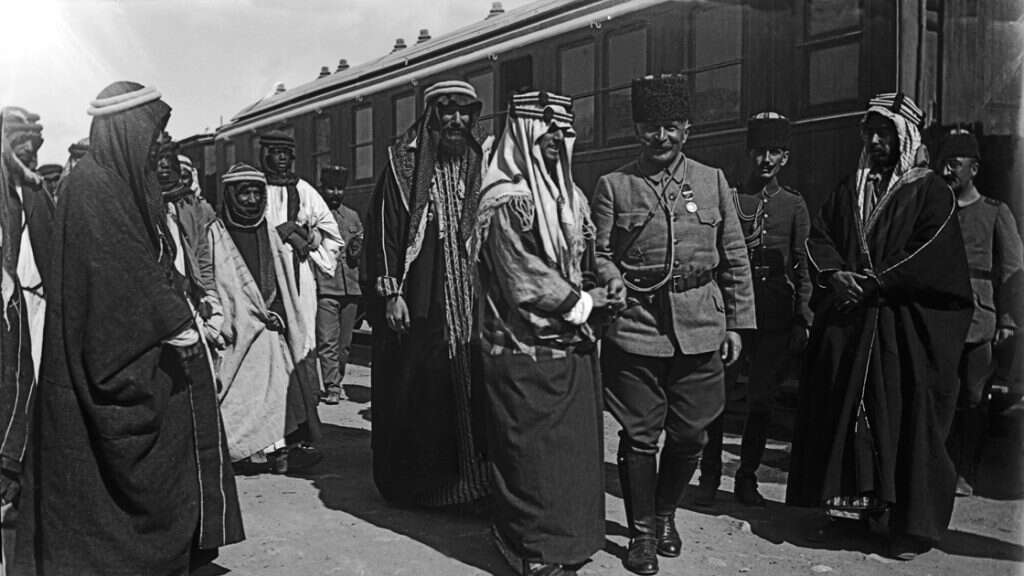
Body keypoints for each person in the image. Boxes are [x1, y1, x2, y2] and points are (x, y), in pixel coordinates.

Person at [21, 81, 244, 574]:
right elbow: (122, 271)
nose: (159, 142)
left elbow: (152, 259)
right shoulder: (92, 187)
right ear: (126, 130)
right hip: (106, 352)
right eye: (153, 130)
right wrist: (177, 322)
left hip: (135, 337)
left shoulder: (119, 183)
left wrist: (184, 304)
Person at [786, 93, 974, 560]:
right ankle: (848, 514)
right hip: (851, 324)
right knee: (842, 411)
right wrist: (835, 275)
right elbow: (820, 236)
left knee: (905, 419)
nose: (874, 141)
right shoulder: (850, 187)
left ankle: (907, 528)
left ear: (904, 137)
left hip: (900, 328)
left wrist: (875, 283)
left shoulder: (931, 192)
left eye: (884, 132)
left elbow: (930, 255)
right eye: (869, 131)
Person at [591, 74, 755, 575]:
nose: (660, 137)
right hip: (637, 327)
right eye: (650, 127)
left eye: (670, 127)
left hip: (701, 324)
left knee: (692, 435)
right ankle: (643, 534)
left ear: (687, 129)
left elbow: (734, 255)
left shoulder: (712, 181)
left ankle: (666, 515)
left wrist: (737, 324)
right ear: (636, 130)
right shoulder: (614, 185)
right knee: (641, 435)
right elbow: (598, 252)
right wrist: (610, 277)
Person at [473, 91, 613, 576]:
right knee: (529, 457)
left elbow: (584, 258)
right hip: (520, 346)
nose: (556, 137)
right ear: (523, 132)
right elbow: (522, 277)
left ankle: (570, 540)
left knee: (569, 456)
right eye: (546, 128)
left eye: (563, 129)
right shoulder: (505, 198)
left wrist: (606, 277)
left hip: (569, 347)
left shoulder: (570, 195)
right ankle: (530, 549)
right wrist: (584, 303)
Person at [363, 79, 490, 507]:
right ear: (432, 114)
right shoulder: (402, 164)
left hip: (472, 296)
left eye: (463, 112)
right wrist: (391, 293)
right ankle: (429, 489)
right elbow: (385, 232)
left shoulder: (481, 160)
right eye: (447, 111)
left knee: (477, 381)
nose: (455, 120)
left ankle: (476, 481)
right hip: (422, 295)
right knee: (424, 387)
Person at [697, 112, 812, 507]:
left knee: (761, 401)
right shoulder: (730, 198)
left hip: (774, 315)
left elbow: (803, 265)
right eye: (760, 151)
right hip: (731, 314)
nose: (766, 160)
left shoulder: (793, 205)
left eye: (775, 152)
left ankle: (747, 477)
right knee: (718, 398)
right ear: (749, 153)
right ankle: (709, 475)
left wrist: (803, 316)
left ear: (785, 158)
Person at [208, 163, 313, 472]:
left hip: (269, 326)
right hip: (235, 329)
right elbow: (218, 283)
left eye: (257, 192)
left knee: (282, 382)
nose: (252, 200)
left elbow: (282, 282)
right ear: (231, 195)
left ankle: (281, 452)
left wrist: (278, 312)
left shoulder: (269, 232)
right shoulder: (215, 234)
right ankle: (243, 451)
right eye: (244, 193)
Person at [938, 129, 1023, 497]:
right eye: (944, 164)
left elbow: (1013, 271)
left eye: (955, 165)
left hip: (979, 321)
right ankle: (938, 471)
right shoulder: (936, 212)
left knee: (974, 399)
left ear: (973, 169)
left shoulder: (995, 212)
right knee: (941, 397)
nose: (947, 171)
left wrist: (1008, 320)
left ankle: (966, 472)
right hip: (940, 320)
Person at [259, 130, 343, 460]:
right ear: (264, 154)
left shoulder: (304, 190)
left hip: (299, 280)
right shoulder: (253, 188)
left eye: (286, 153)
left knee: (301, 346)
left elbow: (331, 235)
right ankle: (269, 439)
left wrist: (308, 240)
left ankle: (303, 431)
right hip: (263, 280)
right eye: (275, 152)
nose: (281, 158)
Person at [315, 176, 363, 405]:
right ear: (322, 189)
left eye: (339, 188)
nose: (335, 192)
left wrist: (358, 247)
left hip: (350, 288)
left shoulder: (352, 216)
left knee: (344, 344)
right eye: (331, 188)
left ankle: (337, 380)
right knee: (327, 341)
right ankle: (332, 386)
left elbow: (359, 248)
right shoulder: (315, 216)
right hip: (325, 287)